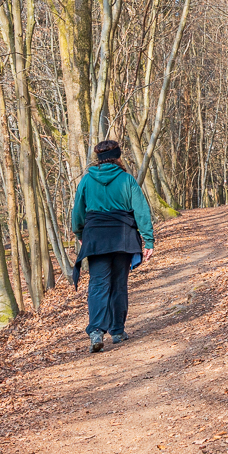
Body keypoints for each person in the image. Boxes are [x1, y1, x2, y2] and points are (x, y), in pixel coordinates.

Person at [71, 139, 154, 353]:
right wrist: (148, 240)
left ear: (98, 159)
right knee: (119, 285)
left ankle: (96, 331)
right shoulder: (127, 179)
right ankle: (117, 331)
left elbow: (78, 211)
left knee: (98, 285)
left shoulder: (87, 180)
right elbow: (141, 210)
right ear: (118, 157)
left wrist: (80, 233)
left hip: (96, 238)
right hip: (123, 237)